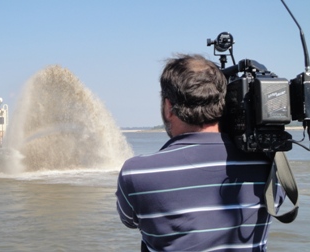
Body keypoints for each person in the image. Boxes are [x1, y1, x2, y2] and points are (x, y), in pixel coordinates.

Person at [115, 54, 284, 251]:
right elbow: (277, 204)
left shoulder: (137, 173)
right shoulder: (269, 164)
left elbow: (130, 220)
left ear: (169, 107)